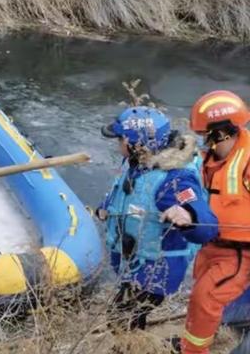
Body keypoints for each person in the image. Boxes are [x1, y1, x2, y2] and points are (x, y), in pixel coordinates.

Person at [98, 106, 218, 333]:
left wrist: (189, 216)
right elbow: (123, 195)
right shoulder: (138, 165)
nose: (117, 144)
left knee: (120, 319)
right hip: (135, 263)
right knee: (129, 317)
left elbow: (207, 226)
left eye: (120, 139)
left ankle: (133, 347)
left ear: (135, 143)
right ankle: (135, 341)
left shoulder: (175, 180)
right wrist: (103, 209)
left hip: (156, 271)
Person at [180, 90, 250, 354]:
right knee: (199, 296)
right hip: (213, 245)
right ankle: (194, 344)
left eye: (204, 135)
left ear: (221, 132)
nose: (202, 142)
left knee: (205, 298)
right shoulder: (212, 160)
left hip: (241, 252)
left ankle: (194, 351)